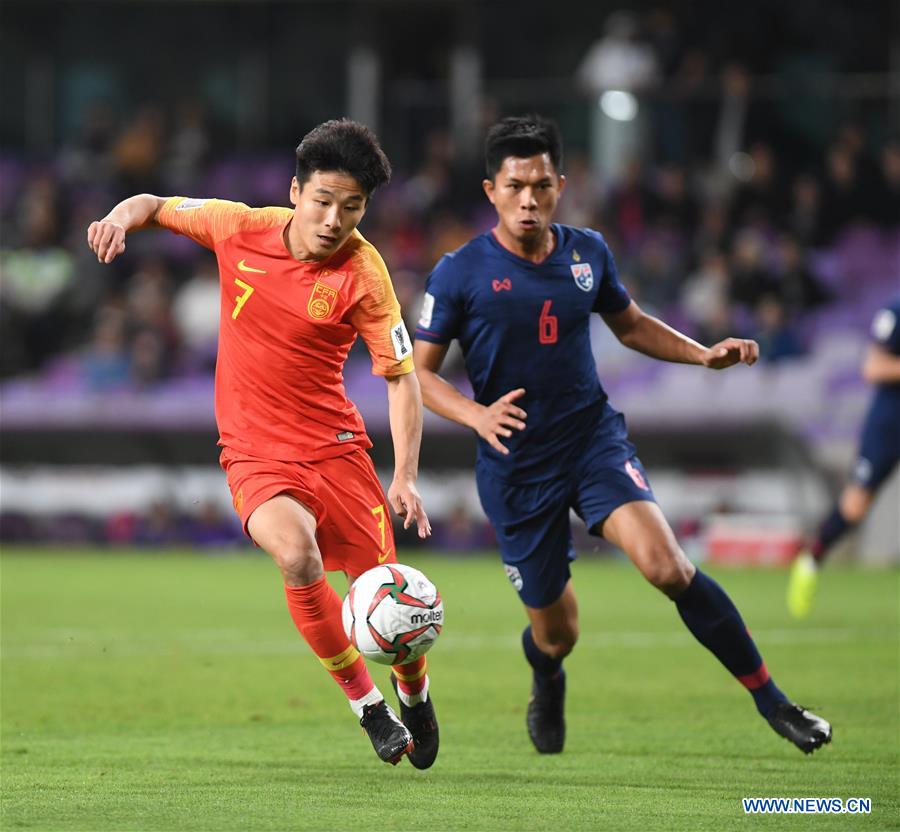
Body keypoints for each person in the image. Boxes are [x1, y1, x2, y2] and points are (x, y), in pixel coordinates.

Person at [413, 115, 831, 756]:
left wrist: (702, 355)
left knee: (668, 567)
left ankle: (775, 703)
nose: (530, 199)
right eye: (516, 185)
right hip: (515, 465)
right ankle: (547, 677)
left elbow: (631, 325)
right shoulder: (458, 273)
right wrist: (475, 414)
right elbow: (417, 376)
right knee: (558, 634)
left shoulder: (589, 252)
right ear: (490, 190)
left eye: (543, 185)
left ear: (562, 185)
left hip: (590, 440)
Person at [87, 119, 438, 768]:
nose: (335, 219)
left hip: (337, 452)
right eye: (324, 200)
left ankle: (414, 690)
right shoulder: (237, 225)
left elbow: (400, 379)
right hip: (254, 450)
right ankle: (367, 706)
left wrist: (406, 475)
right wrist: (117, 216)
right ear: (295, 190)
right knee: (297, 556)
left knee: (387, 595)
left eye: (353, 206)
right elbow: (154, 206)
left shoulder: (364, 271)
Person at [788, 296, 900, 618]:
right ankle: (810, 561)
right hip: (890, 423)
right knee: (856, 505)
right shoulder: (894, 312)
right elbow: (874, 367)